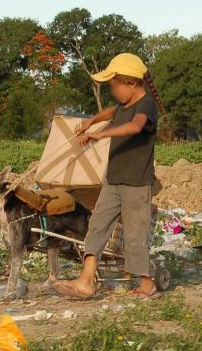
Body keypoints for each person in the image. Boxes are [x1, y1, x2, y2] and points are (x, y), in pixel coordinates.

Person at [53, 53, 165, 298]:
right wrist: (91, 121)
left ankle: (147, 283)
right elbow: (111, 112)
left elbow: (135, 126)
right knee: (97, 225)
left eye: (114, 86)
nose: (112, 91)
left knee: (135, 234)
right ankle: (86, 280)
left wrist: (99, 135)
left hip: (136, 182)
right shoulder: (124, 104)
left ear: (131, 83)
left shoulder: (145, 105)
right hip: (113, 179)